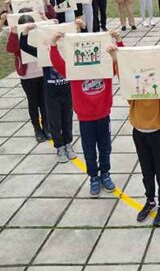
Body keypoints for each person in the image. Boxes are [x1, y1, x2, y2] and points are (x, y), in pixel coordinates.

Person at [107, 42, 160, 226]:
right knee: (146, 171)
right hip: (139, 133)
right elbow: (125, 79)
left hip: (158, 133)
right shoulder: (134, 91)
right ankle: (150, 200)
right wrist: (116, 59)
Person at [50, 29, 123, 196]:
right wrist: (54, 45)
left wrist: (118, 41)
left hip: (103, 115)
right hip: (85, 118)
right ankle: (93, 177)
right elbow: (58, 63)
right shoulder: (74, 71)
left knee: (105, 148)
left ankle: (105, 174)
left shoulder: (105, 68)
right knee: (89, 150)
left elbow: (122, 63)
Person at [19, 20, 83, 162]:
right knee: (54, 121)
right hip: (51, 93)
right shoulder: (43, 53)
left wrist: (80, 27)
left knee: (67, 119)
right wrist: (26, 31)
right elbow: (23, 46)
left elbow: (83, 42)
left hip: (67, 91)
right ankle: (59, 147)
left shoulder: (69, 52)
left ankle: (68, 143)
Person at [6, 13, 49, 142]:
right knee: (33, 103)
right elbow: (11, 49)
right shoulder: (18, 36)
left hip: (42, 73)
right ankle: (37, 129)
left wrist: (46, 20)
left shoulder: (39, 32)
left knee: (44, 102)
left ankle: (46, 127)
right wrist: (14, 33)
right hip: (28, 76)